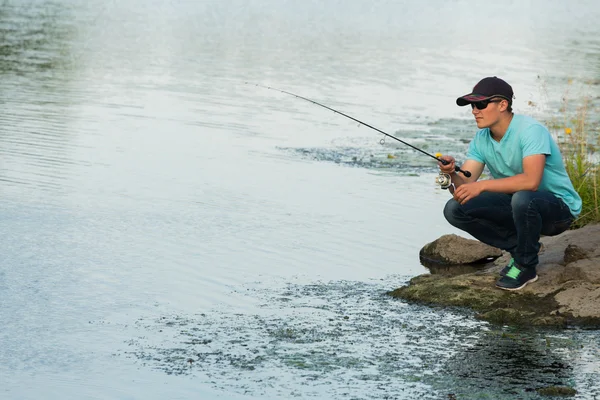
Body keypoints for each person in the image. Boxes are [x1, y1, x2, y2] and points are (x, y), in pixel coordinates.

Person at [439, 76, 582, 291]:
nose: (474, 111)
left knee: (523, 197)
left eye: (480, 104)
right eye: (472, 106)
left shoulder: (531, 131)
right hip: (519, 205)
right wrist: (451, 173)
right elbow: (465, 186)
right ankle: (521, 249)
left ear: (503, 104)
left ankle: (525, 267)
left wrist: (482, 185)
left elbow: (531, 181)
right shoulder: (481, 138)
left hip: (558, 211)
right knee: (455, 208)